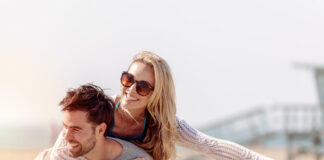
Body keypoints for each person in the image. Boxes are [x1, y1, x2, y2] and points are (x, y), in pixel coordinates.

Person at [53, 51, 273, 160]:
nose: (130, 90)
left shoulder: (164, 124)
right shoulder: (100, 112)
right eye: (128, 79)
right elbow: (61, 152)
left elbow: (211, 145)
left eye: (143, 86)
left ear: (156, 93)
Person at [35, 84, 152, 160]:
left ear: (100, 130)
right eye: (64, 127)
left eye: (76, 129)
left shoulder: (137, 157)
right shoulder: (63, 151)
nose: (65, 137)